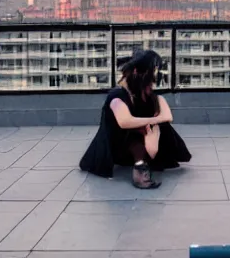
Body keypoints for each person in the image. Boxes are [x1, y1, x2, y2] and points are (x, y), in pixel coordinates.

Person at [79, 50, 192, 189]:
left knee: (154, 125)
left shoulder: (145, 94)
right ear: (137, 72)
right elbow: (125, 121)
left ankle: (142, 162)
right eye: (150, 76)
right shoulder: (117, 96)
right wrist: (154, 122)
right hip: (118, 146)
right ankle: (140, 166)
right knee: (139, 127)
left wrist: (153, 130)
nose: (152, 82)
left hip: (139, 143)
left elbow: (167, 116)